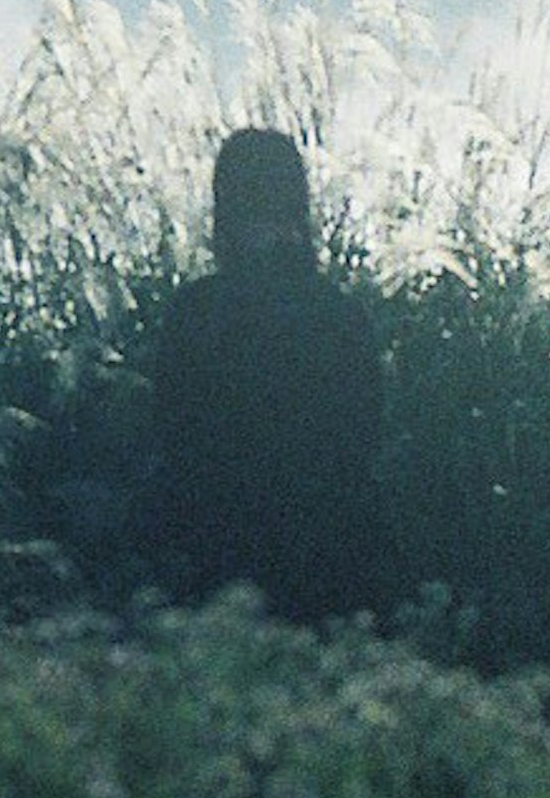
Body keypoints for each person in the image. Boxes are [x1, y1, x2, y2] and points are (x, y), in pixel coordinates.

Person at [147, 128, 384, 618]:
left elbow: (173, 437)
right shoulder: (340, 313)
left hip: (216, 555)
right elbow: (364, 437)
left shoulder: (196, 311)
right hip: (331, 559)